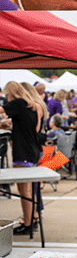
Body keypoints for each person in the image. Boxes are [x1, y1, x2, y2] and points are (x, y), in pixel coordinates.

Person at [0, 81, 42, 235]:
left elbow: (1, 110)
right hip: (31, 150)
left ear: (11, 92)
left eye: (7, 94)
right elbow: (23, 126)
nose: (7, 98)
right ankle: (32, 219)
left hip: (23, 152)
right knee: (29, 190)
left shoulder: (18, 102)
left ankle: (28, 224)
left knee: (24, 191)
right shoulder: (31, 105)